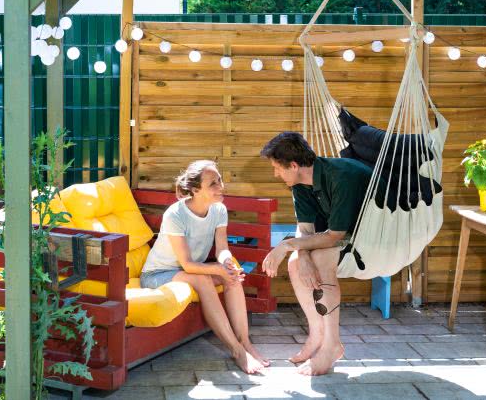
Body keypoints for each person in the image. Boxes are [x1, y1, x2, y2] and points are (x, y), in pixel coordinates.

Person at [140, 160, 269, 374]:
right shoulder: (175, 214)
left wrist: (227, 262)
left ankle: (245, 342)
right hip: (157, 274)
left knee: (232, 275)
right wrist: (217, 269)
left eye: (220, 180)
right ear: (195, 189)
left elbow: (221, 249)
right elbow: (188, 265)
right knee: (204, 279)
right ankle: (236, 351)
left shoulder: (219, 210)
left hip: (188, 271)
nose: (221, 187)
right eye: (213, 183)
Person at [260, 132, 372, 376]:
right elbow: (306, 231)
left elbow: (334, 235)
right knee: (294, 264)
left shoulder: (341, 176)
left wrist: (287, 246)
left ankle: (332, 345)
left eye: (277, 168)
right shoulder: (300, 184)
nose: (275, 174)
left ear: (293, 165)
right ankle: (318, 335)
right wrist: (301, 256)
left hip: (377, 234)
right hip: (346, 234)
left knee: (318, 260)